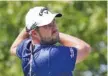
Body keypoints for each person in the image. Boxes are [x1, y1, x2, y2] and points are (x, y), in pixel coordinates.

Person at [10, 6, 91, 76]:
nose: (54, 27)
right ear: (34, 33)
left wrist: (29, 28)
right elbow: (85, 48)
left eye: (53, 21)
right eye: (47, 25)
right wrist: (57, 35)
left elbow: (13, 48)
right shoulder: (51, 55)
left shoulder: (26, 47)